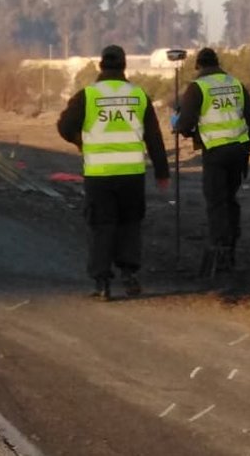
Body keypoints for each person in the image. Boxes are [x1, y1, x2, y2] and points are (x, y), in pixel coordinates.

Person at [57, 45, 171, 300]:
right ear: (124, 66)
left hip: (99, 174)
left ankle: (102, 283)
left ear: (101, 66)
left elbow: (64, 126)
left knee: (102, 226)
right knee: (130, 225)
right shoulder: (138, 95)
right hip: (132, 173)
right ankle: (129, 275)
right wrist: (162, 172)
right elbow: (154, 137)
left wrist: (79, 141)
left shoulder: (88, 95)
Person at [174, 47, 250, 273]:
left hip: (215, 152)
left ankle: (219, 248)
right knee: (230, 200)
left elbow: (184, 126)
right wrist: (247, 149)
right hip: (239, 150)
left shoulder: (198, 87)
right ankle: (231, 246)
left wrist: (181, 126)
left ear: (198, 66)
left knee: (216, 202)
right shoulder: (235, 83)